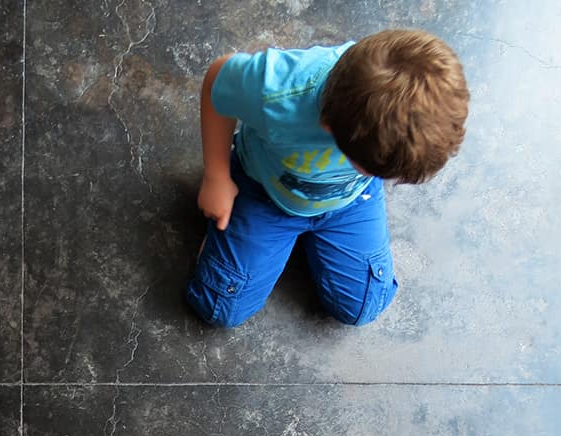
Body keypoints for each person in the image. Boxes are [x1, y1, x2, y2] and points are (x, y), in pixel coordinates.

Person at [186, 30, 469, 328]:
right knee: (218, 308)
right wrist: (216, 175)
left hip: (348, 201)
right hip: (265, 192)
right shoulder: (279, 91)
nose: (386, 179)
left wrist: (376, 168)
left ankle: (297, 243)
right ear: (328, 126)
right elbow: (218, 77)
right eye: (374, 170)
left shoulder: (411, 112)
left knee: (364, 307)